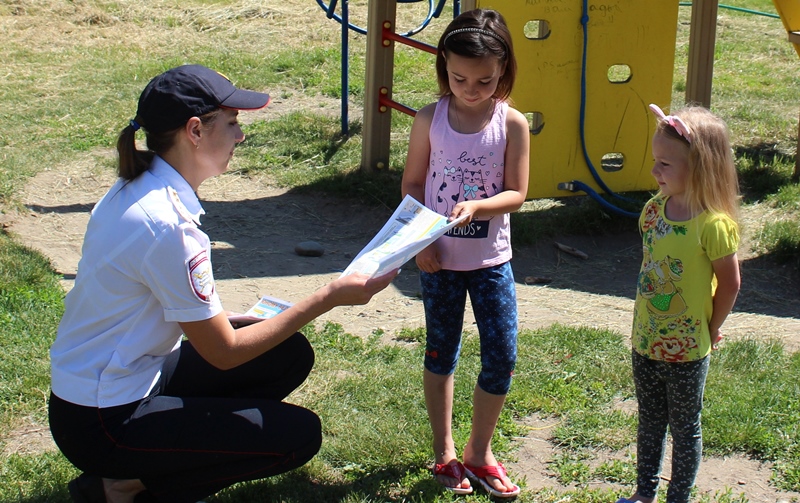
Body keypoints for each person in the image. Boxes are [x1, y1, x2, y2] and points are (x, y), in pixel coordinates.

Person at [48, 64, 397, 503]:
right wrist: (329, 296)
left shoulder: (138, 186)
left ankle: (145, 466)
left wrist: (234, 318)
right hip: (103, 421)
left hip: (110, 386)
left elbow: (153, 305)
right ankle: (122, 487)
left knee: (286, 353)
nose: (240, 135)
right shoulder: (168, 225)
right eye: (232, 123)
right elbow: (224, 354)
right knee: (299, 435)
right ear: (195, 131)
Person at [400, 8, 529, 498]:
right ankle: (444, 452)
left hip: (492, 261)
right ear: (443, 69)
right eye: (459, 78)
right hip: (438, 262)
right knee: (440, 353)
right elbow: (413, 185)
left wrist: (480, 205)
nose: (471, 88)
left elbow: (517, 192)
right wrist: (424, 240)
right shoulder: (430, 118)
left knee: (502, 355)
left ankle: (480, 452)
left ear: (503, 72)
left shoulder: (512, 123)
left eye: (484, 79)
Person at [619, 104, 741, 503]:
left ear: (701, 167)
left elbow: (730, 283)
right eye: (656, 161)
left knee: (685, 427)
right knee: (650, 421)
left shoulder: (714, 225)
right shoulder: (653, 210)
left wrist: (712, 326)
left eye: (666, 164)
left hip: (688, 348)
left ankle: (679, 498)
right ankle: (643, 492)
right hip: (646, 340)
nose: (655, 171)